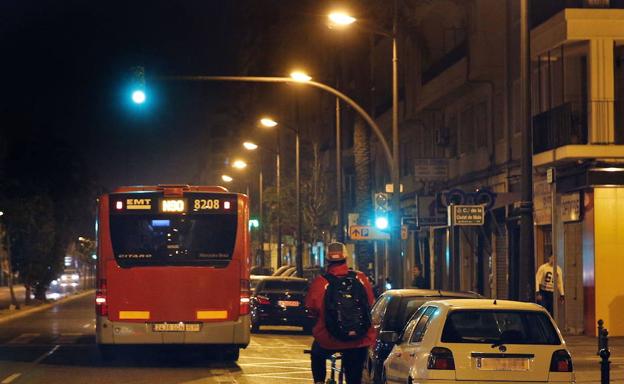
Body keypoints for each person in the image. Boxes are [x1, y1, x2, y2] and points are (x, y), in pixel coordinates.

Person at [305, 242, 375, 384]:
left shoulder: (320, 282)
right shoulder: (360, 279)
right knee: (355, 373)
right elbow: (370, 301)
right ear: (346, 259)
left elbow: (311, 308)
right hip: (358, 339)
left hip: (329, 339)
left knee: (317, 354)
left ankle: (319, 381)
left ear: (327, 261)